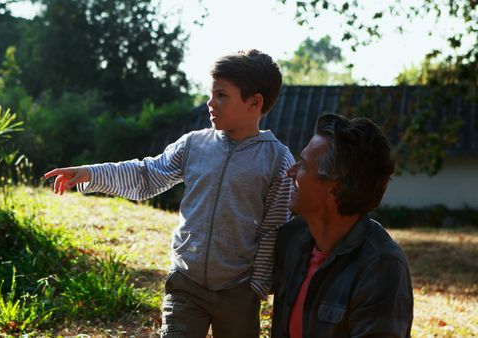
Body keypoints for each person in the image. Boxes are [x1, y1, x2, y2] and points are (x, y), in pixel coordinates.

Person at [44, 49, 294, 337]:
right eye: (211, 94)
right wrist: (91, 173)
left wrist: (257, 287)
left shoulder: (277, 160)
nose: (210, 103)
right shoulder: (194, 145)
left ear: (255, 102)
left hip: (239, 291)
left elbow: (274, 227)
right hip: (186, 283)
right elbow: (147, 175)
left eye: (221, 95)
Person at [271, 113, 414, 337]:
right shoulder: (290, 239)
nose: (291, 171)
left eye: (304, 165)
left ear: (334, 188)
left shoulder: (381, 267)